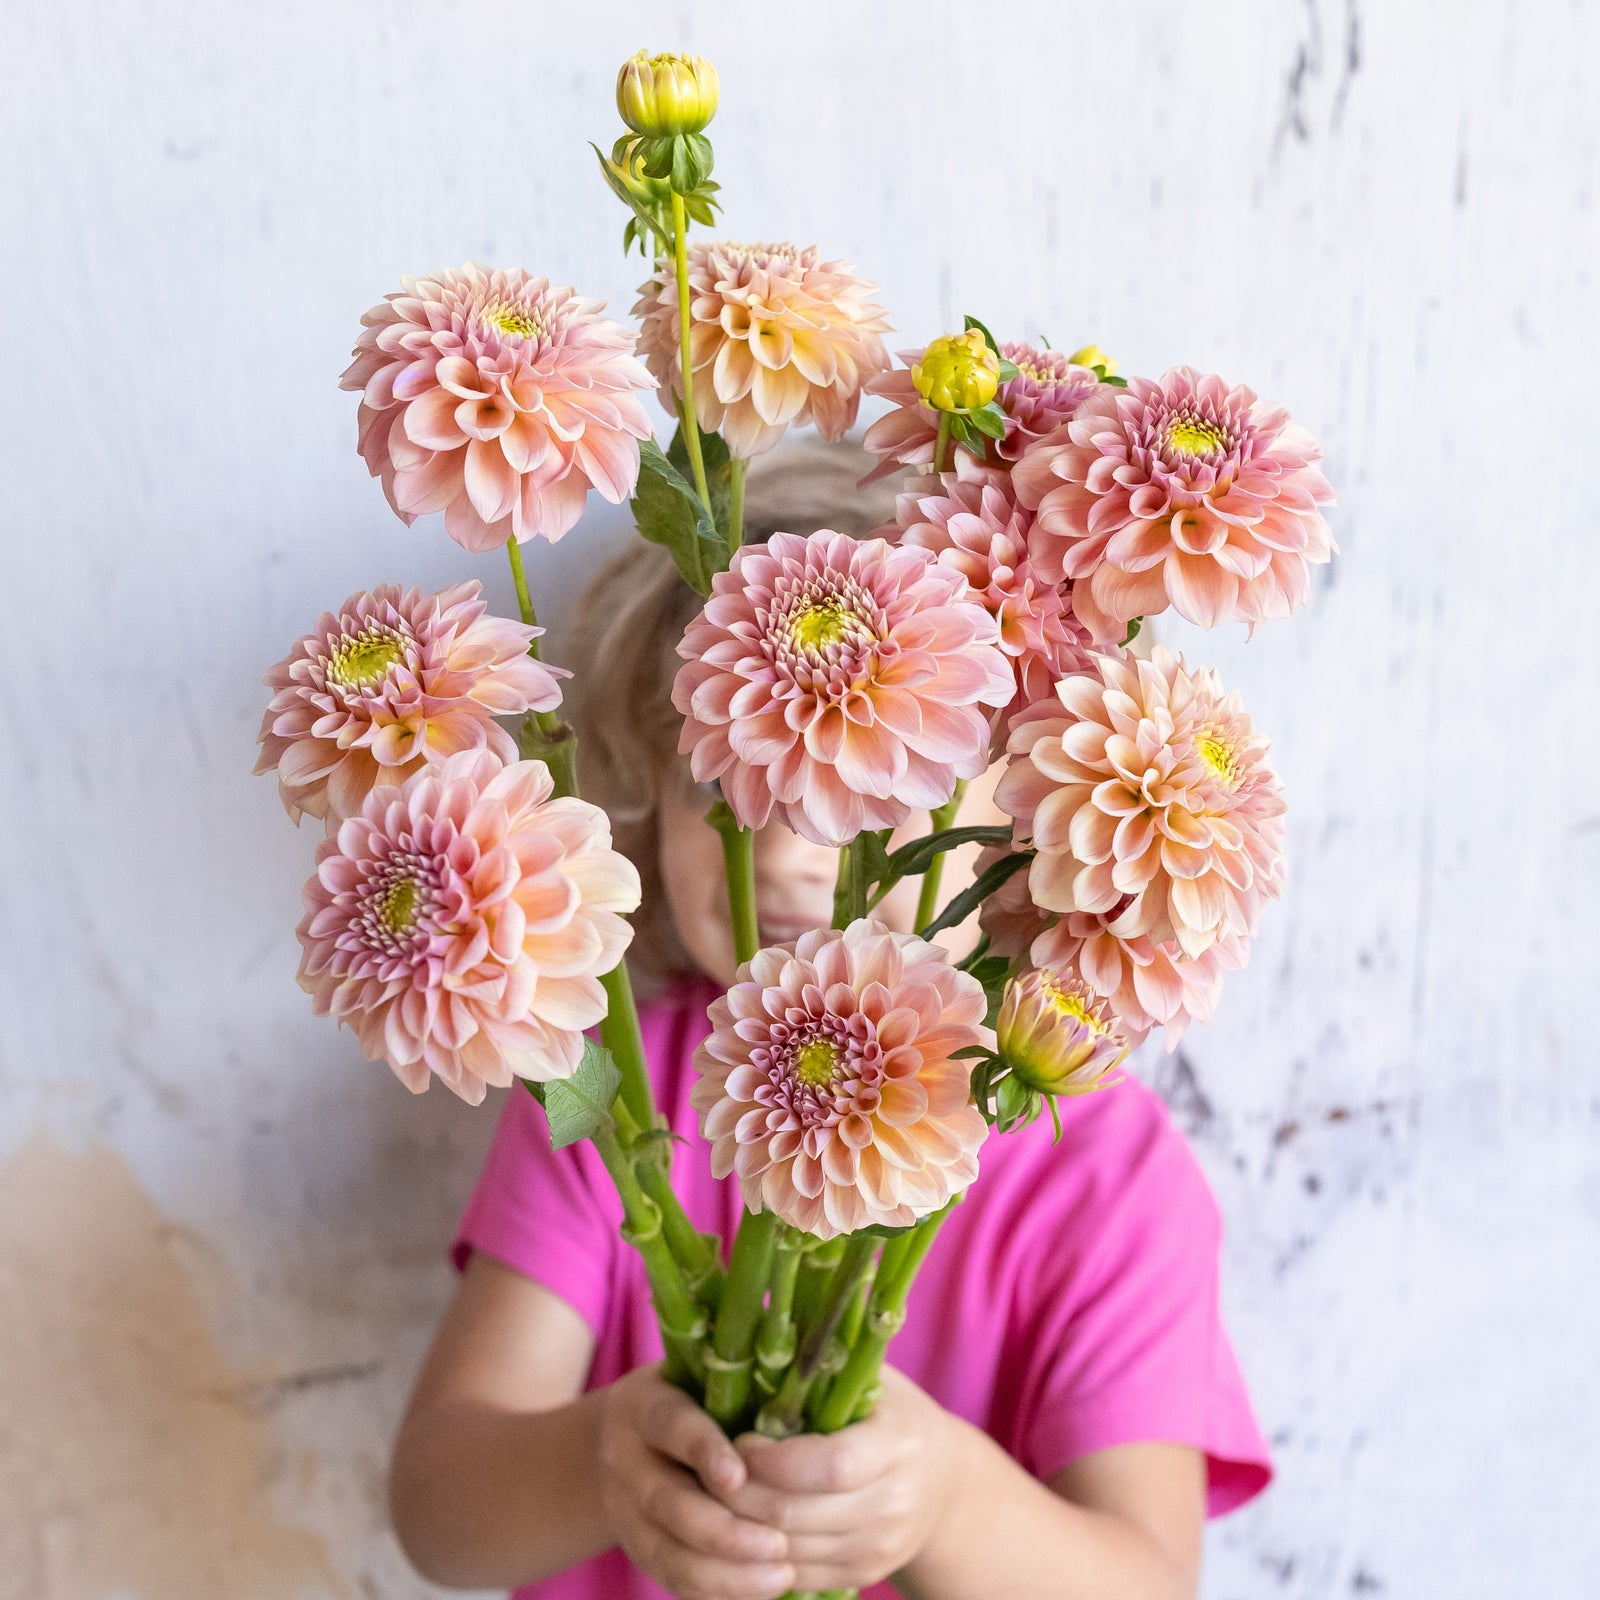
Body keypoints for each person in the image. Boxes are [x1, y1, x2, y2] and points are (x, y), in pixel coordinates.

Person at [388, 439, 1272, 1600]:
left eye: (874, 790)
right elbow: (440, 1514)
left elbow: (1147, 1582)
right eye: (727, 781)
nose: (789, 846)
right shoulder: (606, 1085)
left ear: (1020, 816)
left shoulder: (1104, 1174)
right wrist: (606, 1465)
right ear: (647, 790)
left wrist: (944, 1499)